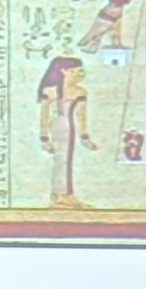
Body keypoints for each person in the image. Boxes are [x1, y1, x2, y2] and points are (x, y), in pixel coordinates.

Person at [36, 55, 96, 207]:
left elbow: (81, 115)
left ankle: (65, 194)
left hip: (70, 127)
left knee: (66, 161)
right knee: (60, 161)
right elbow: (44, 115)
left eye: (80, 71)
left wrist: (84, 136)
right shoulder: (50, 91)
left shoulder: (79, 91)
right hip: (57, 127)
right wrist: (44, 137)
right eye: (74, 71)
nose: (79, 75)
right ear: (63, 71)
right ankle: (60, 195)